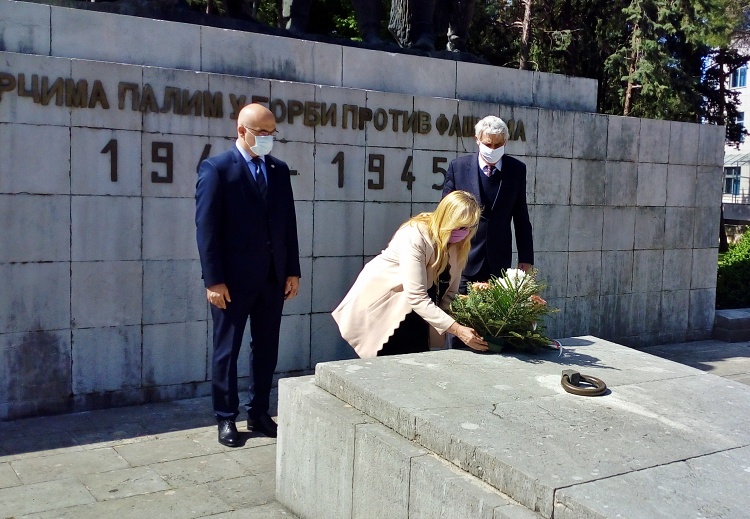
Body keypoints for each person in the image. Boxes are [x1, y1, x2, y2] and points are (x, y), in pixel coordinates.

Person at [195, 103, 301, 447]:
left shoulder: (278, 170)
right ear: (241, 131)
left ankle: (259, 412)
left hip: (272, 278)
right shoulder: (217, 169)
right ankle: (226, 417)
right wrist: (213, 280)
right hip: (231, 281)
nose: (268, 138)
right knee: (227, 350)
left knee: (266, 347)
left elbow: (287, 223)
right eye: (261, 132)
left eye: (272, 132)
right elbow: (207, 229)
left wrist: (292, 271)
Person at [332, 190, 489, 358]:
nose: (464, 232)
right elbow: (416, 296)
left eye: (469, 227)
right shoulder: (415, 235)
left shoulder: (459, 245)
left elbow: (449, 295)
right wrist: (457, 330)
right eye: (460, 226)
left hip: (419, 315)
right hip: (386, 309)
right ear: (447, 218)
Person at [442, 116, 534, 348]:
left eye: (498, 144)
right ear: (477, 140)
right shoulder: (458, 167)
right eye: (488, 144)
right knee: (460, 317)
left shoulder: (516, 170)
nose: (493, 149)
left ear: (505, 142)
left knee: (496, 324)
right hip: (464, 257)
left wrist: (526, 258)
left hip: (499, 260)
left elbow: (521, 216)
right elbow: (446, 213)